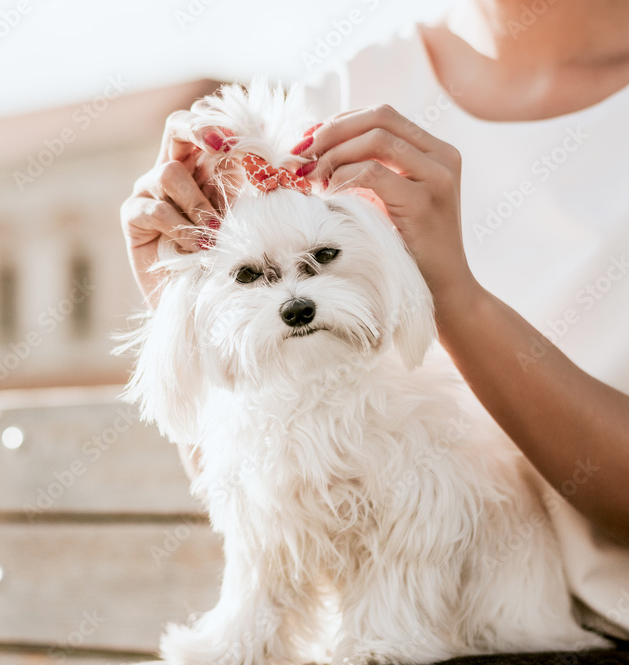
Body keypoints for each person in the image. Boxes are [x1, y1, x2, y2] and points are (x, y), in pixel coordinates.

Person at [119, 0, 629, 640]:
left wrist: (456, 299)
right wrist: (174, 294)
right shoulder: (334, 95)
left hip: (564, 632)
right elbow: (275, 489)